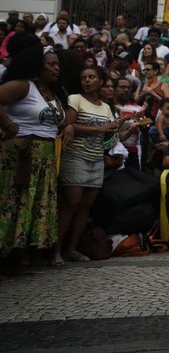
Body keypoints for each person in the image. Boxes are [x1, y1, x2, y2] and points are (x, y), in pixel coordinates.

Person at [0, 45, 70, 276]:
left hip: (45, 158)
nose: (56, 68)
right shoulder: (23, 86)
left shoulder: (52, 92)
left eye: (58, 64)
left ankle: (18, 258)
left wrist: (68, 124)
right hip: (21, 155)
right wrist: (8, 125)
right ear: (36, 66)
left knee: (30, 207)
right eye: (51, 64)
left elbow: (63, 115)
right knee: (11, 203)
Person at [56, 66, 122, 266]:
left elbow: (106, 142)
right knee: (70, 205)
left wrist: (116, 131)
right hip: (75, 157)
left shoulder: (105, 107)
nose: (87, 80)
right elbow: (68, 125)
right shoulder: (75, 99)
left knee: (85, 207)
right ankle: (55, 252)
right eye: (84, 77)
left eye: (91, 77)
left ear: (101, 81)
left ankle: (71, 249)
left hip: (96, 160)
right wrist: (100, 128)